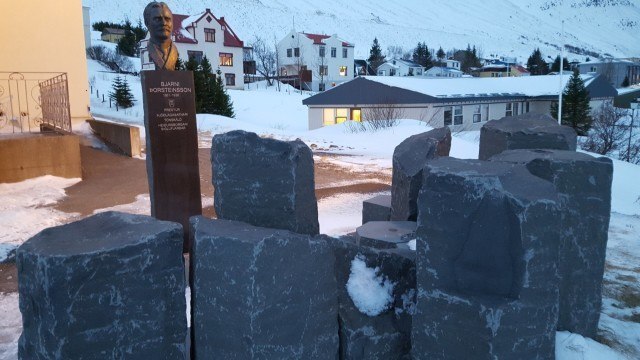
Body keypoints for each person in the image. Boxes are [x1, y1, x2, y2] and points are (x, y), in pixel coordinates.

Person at [143, 2, 179, 70]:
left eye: (167, 19)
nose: (164, 23)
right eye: (157, 19)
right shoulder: (149, 49)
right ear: (147, 23)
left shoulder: (175, 51)